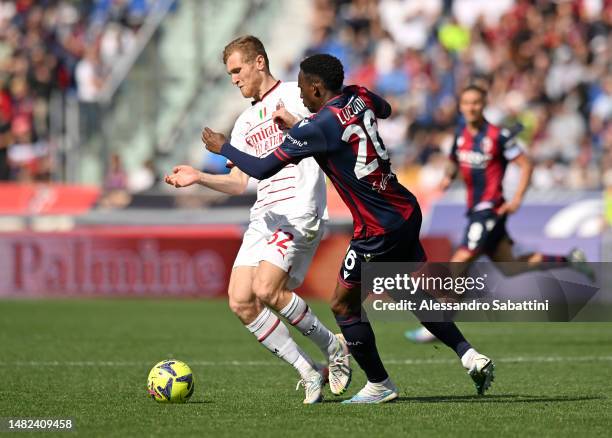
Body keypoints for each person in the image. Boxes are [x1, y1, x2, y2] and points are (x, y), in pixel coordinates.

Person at [202, 54, 495, 403]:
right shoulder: (358, 95)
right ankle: (468, 354)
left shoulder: (318, 126)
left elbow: (263, 168)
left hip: (376, 228)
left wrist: (225, 148)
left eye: (303, 88)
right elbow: (382, 110)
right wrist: (301, 123)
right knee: (402, 289)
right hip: (404, 208)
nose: (301, 95)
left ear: (315, 87)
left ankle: (379, 384)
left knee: (343, 305)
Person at [165, 37, 351, 404]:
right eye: (230, 73)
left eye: (237, 70)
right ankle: (307, 370)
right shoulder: (245, 121)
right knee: (240, 301)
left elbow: (328, 136)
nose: (233, 79)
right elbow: (238, 183)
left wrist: (297, 123)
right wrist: (199, 177)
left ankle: (335, 347)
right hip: (264, 216)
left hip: (298, 210)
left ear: (259, 63)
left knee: (267, 289)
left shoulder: (299, 96)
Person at [406, 85, 593, 343]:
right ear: (460, 106)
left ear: (484, 105)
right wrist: (449, 176)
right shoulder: (460, 134)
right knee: (511, 267)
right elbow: (453, 159)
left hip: (490, 209)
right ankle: (568, 258)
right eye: (466, 103)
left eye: (476, 103)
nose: (471, 107)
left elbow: (526, 164)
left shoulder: (498, 136)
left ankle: (437, 322)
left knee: (460, 260)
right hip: (474, 210)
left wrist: (516, 200)